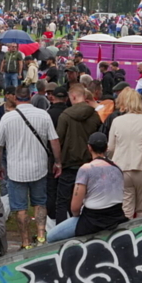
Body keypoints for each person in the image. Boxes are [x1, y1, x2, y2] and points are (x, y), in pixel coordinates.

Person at [0, 86, 62, 248]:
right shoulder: (43, 115)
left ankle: (25, 241)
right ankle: (40, 237)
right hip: (39, 167)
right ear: (30, 97)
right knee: (39, 203)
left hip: (16, 170)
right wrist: (58, 162)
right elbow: (54, 141)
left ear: (15, 98)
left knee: (20, 208)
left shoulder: (7, 118)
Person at [47, 132, 127, 243]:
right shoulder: (117, 167)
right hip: (116, 217)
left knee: (51, 236)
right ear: (106, 147)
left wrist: (77, 216)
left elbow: (75, 208)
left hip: (92, 221)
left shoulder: (86, 169)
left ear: (89, 147)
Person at [107, 87, 142, 219]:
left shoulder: (117, 121)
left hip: (122, 168)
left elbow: (110, 148)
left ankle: (127, 236)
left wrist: (112, 160)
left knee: (126, 208)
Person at [54, 84, 103, 223]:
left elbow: (59, 139)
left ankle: (60, 232)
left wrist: (57, 161)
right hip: (89, 162)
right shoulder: (95, 115)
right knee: (88, 199)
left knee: (63, 200)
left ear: (73, 96)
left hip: (69, 162)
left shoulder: (66, 115)